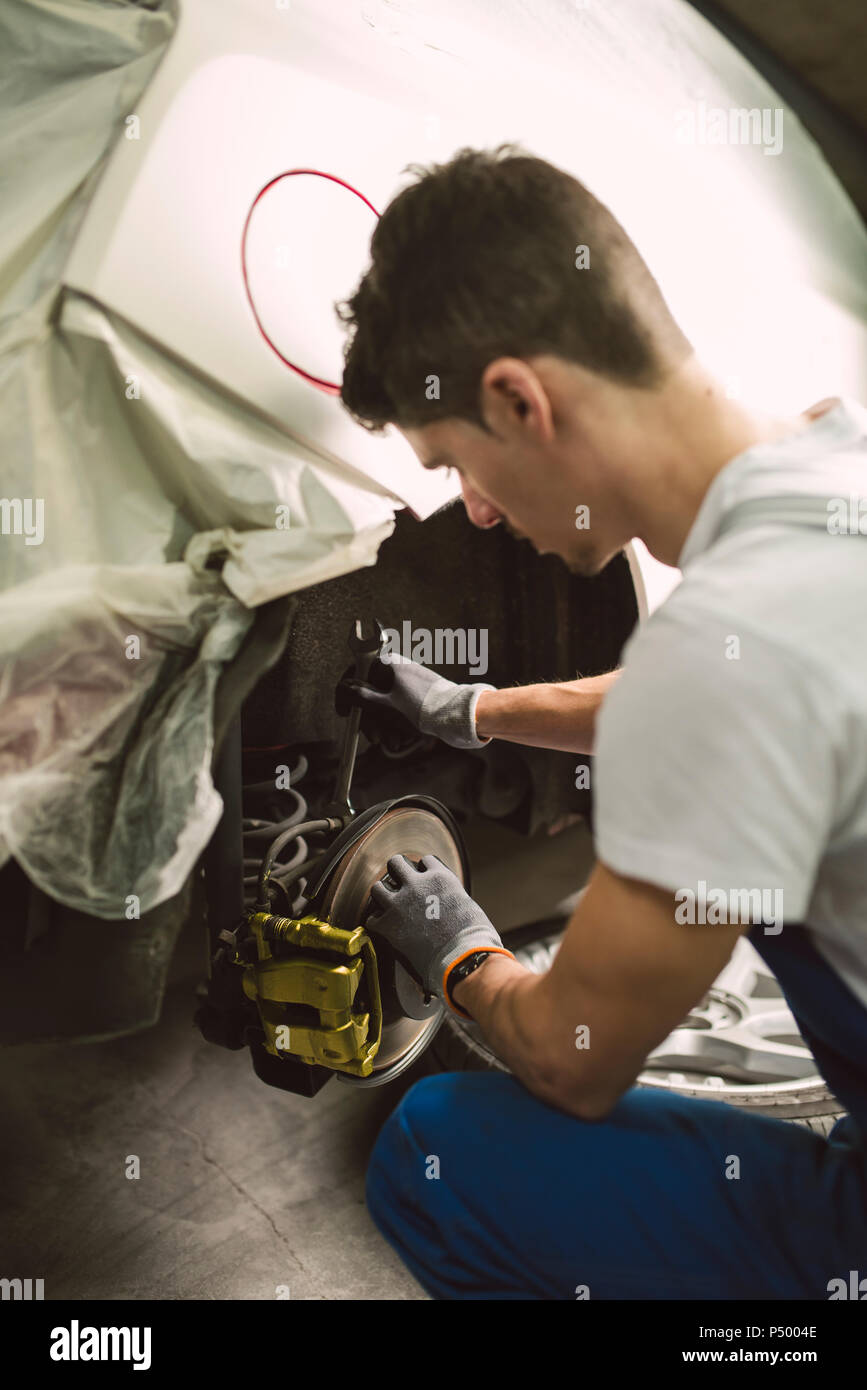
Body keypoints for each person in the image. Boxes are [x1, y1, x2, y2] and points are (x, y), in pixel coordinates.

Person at [336, 145, 867, 1299]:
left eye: (458, 465)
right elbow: (746, 708)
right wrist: (475, 712)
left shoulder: (732, 658)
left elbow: (574, 1060)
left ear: (520, 402)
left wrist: (459, 946)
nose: (473, 511)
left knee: (433, 1152)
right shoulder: (833, 472)